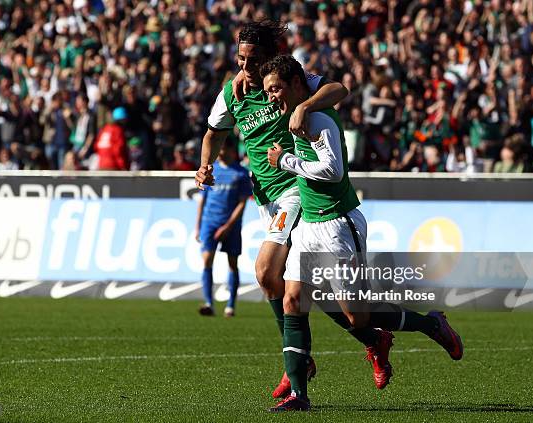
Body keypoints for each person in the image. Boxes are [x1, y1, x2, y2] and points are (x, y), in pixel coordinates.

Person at [194, 20, 393, 399]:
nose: (246, 67)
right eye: (241, 59)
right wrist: (206, 164)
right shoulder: (232, 94)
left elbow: (340, 89)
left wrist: (303, 105)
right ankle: (370, 340)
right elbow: (213, 134)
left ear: (271, 57)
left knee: (266, 271)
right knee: (283, 287)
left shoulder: (285, 81)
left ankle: (298, 364)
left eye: (253, 60)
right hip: (264, 198)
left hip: (295, 189)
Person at [263, 55, 464, 412]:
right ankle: (299, 394)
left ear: (296, 84)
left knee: (358, 316)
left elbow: (333, 171)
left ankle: (430, 324)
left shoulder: (318, 117)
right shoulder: (304, 103)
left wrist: (285, 161)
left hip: (339, 225)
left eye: (275, 89)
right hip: (310, 222)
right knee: (292, 298)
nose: (271, 98)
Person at [195, 138, 251, 317]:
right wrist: (198, 226)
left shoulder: (241, 173)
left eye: (222, 149)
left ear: (230, 151)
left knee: (232, 264)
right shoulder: (212, 170)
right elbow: (202, 199)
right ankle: (209, 303)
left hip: (231, 226)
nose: (219, 153)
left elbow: (242, 203)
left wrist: (228, 226)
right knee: (206, 260)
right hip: (210, 222)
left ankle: (230, 306)